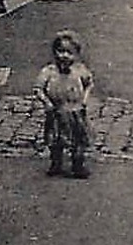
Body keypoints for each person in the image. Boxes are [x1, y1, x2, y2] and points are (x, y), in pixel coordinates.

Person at [34, 29, 93, 178]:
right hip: (56, 111)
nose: (64, 56)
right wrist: (46, 102)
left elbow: (88, 84)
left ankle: (78, 165)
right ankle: (56, 164)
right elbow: (38, 88)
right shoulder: (49, 71)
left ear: (76, 55)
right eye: (60, 51)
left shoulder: (80, 70)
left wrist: (84, 99)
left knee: (78, 141)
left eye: (69, 52)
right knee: (55, 141)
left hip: (75, 111)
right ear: (54, 52)